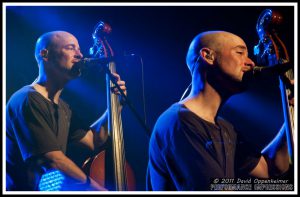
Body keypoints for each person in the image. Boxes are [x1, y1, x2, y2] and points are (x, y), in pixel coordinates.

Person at [146, 31, 292, 191]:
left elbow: (269, 169)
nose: (250, 62)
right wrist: (281, 188)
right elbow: (217, 189)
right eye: (240, 52)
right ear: (208, 56)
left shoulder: (225, 128)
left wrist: (291, 120)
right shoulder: (178, 122)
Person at [6, 31, 127, 191]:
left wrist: (116, 106)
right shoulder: (27, 99)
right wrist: (100, 190)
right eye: (71, 48)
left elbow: (94, 140)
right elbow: (53, 160)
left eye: (79, 49)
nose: (80, 55)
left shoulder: (63, 108)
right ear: (45, 54)